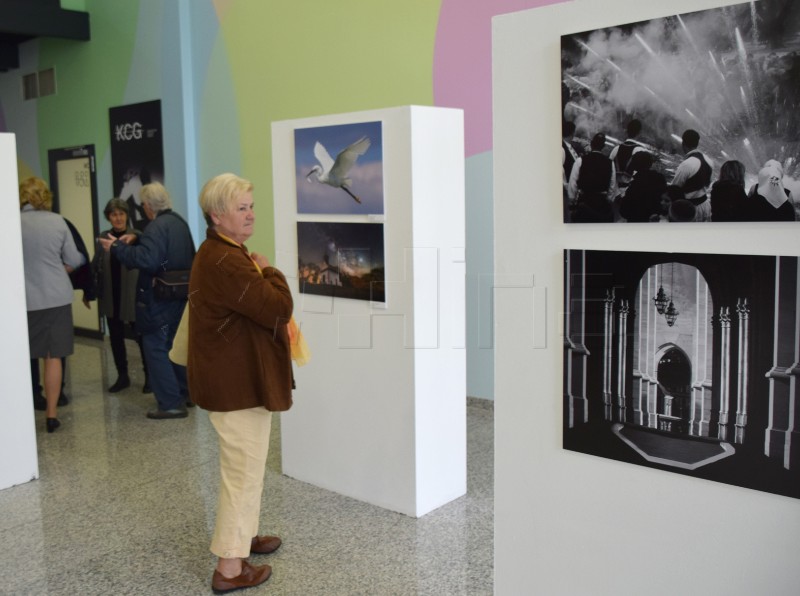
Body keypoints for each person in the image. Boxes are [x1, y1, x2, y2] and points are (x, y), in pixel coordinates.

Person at [187, 173, 293, 593]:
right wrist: (271, 271)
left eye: (251, 206)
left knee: (248, 467)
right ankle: (229, 567)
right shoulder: (228, 261)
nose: (250, 214)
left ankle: (243, 537)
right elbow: (278, 308)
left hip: (235, 377)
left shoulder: (221, 251)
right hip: (235, 384)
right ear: (217, 215)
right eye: (241, 208)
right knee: (242, 472)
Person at [99, 182, 194, 419]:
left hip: (159, 299)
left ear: (148, 206)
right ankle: (185, 394)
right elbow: (171, 257)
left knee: (156, 347)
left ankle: (170, 403)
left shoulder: (156, 227)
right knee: (175, 346)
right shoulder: (179, 223)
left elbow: (149, 261)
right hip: (180, 296)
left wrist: (117, 247)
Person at [19, 177, 85, 433]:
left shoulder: (11, 223)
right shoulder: (57, 221)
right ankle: (51, 414)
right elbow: (73, 258)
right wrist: (63, 266)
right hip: (56, 297)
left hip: (23, 299)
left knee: (24, 357)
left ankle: (21, 411)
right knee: (52, 356)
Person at [92, 198, 149, 393]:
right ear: (109, 217)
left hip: (133, 295)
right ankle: (122, 375)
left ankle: (149, 376)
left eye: (121, 214)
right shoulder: (103, 238)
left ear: (127, 215)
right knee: (115, 337)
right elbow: (96, 264)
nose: (118, 218)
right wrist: (89, 290)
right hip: (111, 294)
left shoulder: (137, 236)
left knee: (141, 337)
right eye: (114, 214)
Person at [568, 132, 616, 222]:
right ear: (603, 146)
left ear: (591, 144)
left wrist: (572, 202)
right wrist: (608, 200)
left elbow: (573, 183)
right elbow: (612, 186)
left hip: (584, 202)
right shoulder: (610, 163)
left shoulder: (580, 160)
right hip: (602, 204)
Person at [671, 129, 712, 221]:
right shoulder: (709, 161)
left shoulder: (686, 164)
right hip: (706, 206)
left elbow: (675, 189)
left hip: (690, 209)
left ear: (683, 143)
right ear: (697, 143)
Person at [617, 151, 667, 222]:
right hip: (655, 221)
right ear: (650, 163)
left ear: (634, 165)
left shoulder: (636, 183)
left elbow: (624, 211)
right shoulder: (660, 179)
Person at [609, 118, 643, 193]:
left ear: (627, 131)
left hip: (614, 191)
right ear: (639, 133)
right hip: (631, 194)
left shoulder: (616, 149)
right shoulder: (641, 151)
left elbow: (608, 171)